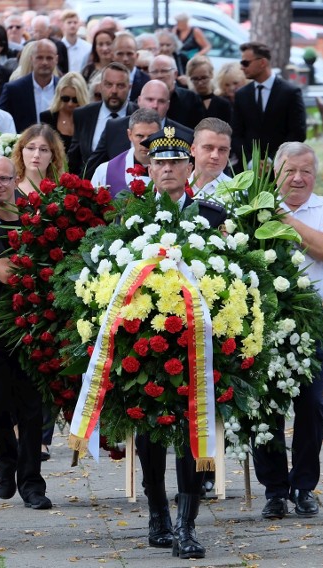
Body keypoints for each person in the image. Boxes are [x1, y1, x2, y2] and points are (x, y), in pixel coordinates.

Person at [135, 126, 226, 560]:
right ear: (149, 168)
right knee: (149, 429)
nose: (167, 168)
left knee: (195, 429)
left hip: (199, 341)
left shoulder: (211, 216)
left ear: (190, 167)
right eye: (159, 162)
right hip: (146, 342)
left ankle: (187, 525)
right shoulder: (129, 217)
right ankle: (158, 515)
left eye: (175, 162)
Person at [251, 141, 323, 521]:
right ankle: (274, 490)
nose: (298, 178)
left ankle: (304, 486)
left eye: (306, 171)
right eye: (290, 170)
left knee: (311, 405)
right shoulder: (253, 208)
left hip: (308, 316)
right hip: (265, 318)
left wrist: (280, 218)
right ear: (276, 173)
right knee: (266, 406)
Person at [0, 156, 52, 511]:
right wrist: (40, 262)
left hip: (32, 328)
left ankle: (32, 483)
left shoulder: (35, 219)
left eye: (5, 179)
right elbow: (7, 274)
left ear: (17, 180)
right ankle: (6, 459)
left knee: (32, 409)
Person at [86, 80, 191, 178]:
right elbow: (91, 168)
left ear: (168, 105)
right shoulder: (114, 128)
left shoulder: (184, 136)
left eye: (161, 101)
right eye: (150, 99)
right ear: (139, 100)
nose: (155, 105)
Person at [231, 42, 306, 162]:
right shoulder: (241, 95)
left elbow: (298, 132)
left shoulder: (290, 92)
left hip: (281, 169)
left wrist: (272, 160)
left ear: (262, 63)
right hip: (248, 171)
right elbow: (236, 134)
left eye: (245, 62)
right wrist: (250, 161)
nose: (242, 67)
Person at [67, 62, 134, 177]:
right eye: (108, 84)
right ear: (101, 85)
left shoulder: (138, 116)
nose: (114, 91)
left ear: (129, 87)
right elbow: (74, 157)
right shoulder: (83, 114)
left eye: (120, 85)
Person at [90, 108, 158, 195]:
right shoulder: (105, 171)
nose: (145, 143)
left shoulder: (174, 170)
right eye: (140, 136)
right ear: (130, 135)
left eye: (151, 136)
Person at [0, 38, 60, 132]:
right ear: (31, 59)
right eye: (39, 57)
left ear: (56, 59)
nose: (44, 62)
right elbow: (2, 122)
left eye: (49, 58)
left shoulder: (63, 88)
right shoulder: (14, 89)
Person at [148, 53, 202, 128]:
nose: (159, 75)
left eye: (164, 71)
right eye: (155, 72)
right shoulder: (142, 100)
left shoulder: (191, 98)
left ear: (175, 74)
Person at [39, 71, 89, 151]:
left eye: (75, 100)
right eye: (65, 99)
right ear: (59, 96)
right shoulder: (47, 117)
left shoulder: (89, 119)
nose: (70, 104)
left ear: (81, 98)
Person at [12, 123, 66, 196]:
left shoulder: (61, 192)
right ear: (21, 151)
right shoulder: (9, 189)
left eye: (43, 150)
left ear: (52, 156)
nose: (36, 155)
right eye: (31, 148)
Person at [189, 117, 232, 200]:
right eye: (208, 148)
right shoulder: (176, 188)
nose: (215, 155)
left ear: (229, 153)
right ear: (193, 150)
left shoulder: (239, 194)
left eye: (222, 150)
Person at [186, 55, 232, 124]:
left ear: (211, 75)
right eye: (195, 79)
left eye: (204, 78)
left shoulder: (224, 104)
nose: (200, 83)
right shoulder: (186, 103)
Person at [111, 32, 148, 102]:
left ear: (137, 56)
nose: (125, 59)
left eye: (129, 54)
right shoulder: (103, 79)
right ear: (112, 56)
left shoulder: (146, 82)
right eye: (120, 54)